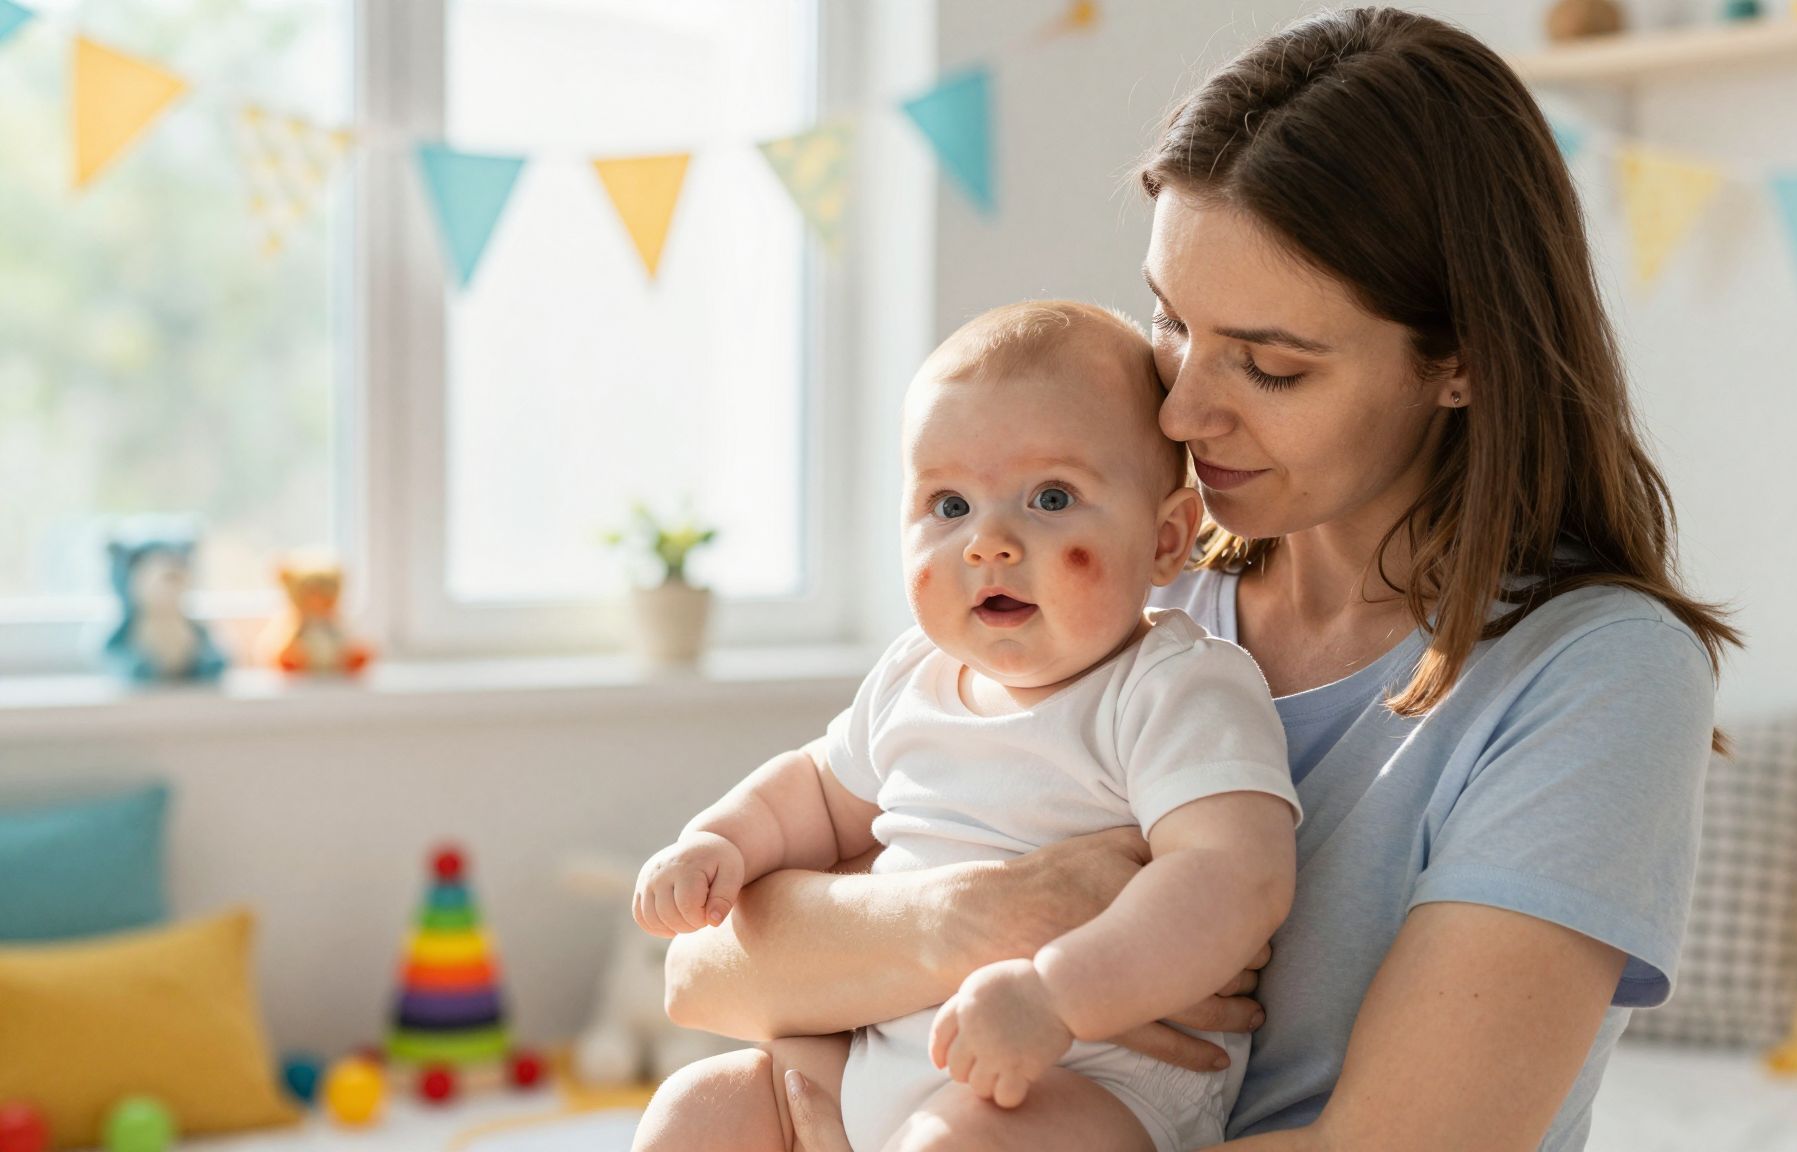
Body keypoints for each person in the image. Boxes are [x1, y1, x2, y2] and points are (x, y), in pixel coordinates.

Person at [654, 8, 1739, 1151]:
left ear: (1457, 362)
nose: (1177, 410)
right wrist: (985, 917)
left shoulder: (1594, 675)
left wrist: (955, 991)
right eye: (1170, 323)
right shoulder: (1106, 587)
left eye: (1268, 367)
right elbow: (707, 974)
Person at [629, 301, 1301, 1152]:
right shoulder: (915, 676)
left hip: (1083, 1080)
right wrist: (719, 842)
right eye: (948, 505)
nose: (988, 542)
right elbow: (812, 790)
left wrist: (1056, 995)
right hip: (879, 1059)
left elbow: (1234, 878)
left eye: (1050, 497)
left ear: (1168, 538)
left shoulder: (1176, 687)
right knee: (697, 1109)